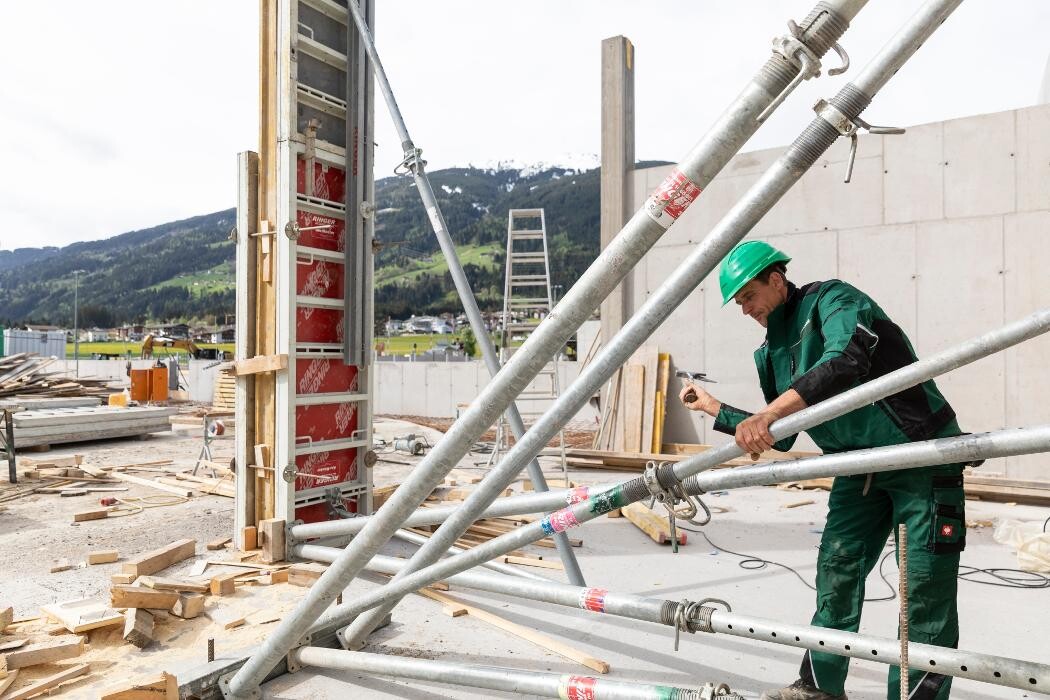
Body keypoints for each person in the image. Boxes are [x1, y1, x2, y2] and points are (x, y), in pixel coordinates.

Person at [679, 241, 967, 700]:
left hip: (919, 456)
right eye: (739, 303)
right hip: (857, 468)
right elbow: (784, 432)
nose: (745, 309)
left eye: (749, 296)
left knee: (923, 591)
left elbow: (846, 359)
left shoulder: (833, 301)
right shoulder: (768, 351)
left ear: (776, 280)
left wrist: (769, 415)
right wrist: (716, 408)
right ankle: (818, 688)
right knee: (836, 573)